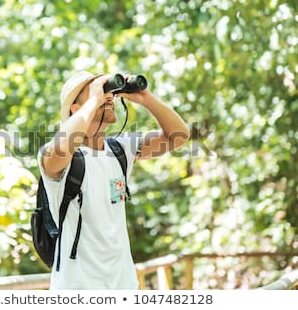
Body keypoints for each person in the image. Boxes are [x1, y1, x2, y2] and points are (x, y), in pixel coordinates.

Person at [38, 71, 190, 289]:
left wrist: (146, 98)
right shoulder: (56, 157)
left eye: (108, 91)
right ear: (76, 108)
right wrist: (95, 100)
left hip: (123, 286)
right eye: (97, 92)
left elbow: (179, 136)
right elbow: (63, 146)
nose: (108, 96)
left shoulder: (121, 150)